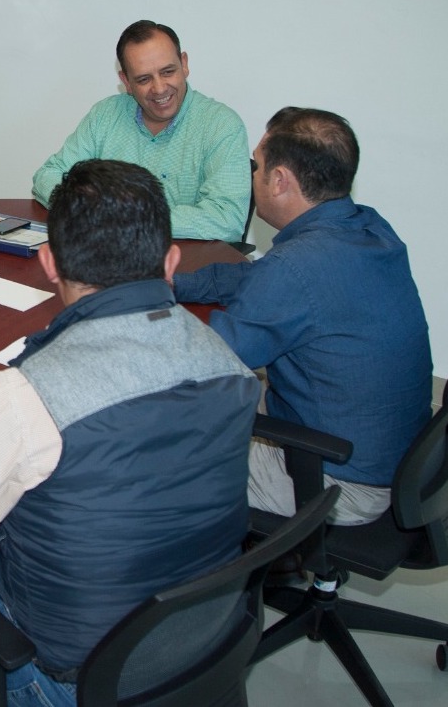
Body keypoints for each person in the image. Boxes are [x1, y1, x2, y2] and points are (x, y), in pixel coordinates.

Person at [0, 159, 260, 707]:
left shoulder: (26, 400)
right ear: (171, 260)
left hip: (76, 678)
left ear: (49, 262)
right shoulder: (224, 359)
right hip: (204, 634)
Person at [174, 107, 433, 526]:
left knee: (156, 452)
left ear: (279, 180)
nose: (252, 175)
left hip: (339, 478)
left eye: (256, 166)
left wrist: (131, 316)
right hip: (392, 453)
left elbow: (202, 362)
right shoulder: (368, 229)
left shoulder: (294, 268)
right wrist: (173, 283)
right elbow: (256, 278)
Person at [32, 20, 250, 242]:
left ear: (184, 64)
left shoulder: (221, 125)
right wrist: (85, 208)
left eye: (167, 72)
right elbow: (49, 175)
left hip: (186, 259)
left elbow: (227, 218)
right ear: (126, 81)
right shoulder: (105, 115)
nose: (159, 88)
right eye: (144, 79)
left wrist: (128, 218)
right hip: (106, 253)